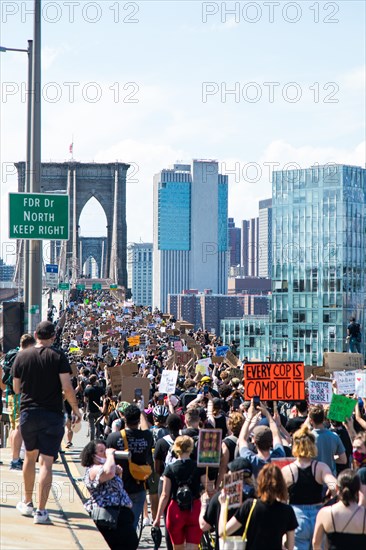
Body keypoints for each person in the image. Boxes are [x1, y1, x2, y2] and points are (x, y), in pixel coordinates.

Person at [12, 320, 82, 524]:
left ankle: (27, 502)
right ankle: (41, 512)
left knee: (29, 458)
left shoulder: (21, 356)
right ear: (52, 337)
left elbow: (16, 388)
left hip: (28, 414)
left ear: (35, 334)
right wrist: (75, 410)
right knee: (47, 463)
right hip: (52, 415)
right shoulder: (58, 356)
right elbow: (67, 388)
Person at [281, 425, 337, 550]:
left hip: (296, 517)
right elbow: (334, 485)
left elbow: (280, 498)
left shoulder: (287, 471)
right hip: (319, 516)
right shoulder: (321, 467)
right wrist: (330, 498)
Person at [218, 463, 298, 550]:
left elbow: (223, 532)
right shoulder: (287, 511)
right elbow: (290, 546)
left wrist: (223, 505)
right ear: (281, 485)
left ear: (260, 482)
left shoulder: (250, 505)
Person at [81, 439, 137, 550]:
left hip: (122, 516)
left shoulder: (107, 468)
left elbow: (115, 489)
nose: (105, 453)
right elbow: (108, 472)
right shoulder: (93, 470)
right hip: (109, 517)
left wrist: (119, 474)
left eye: (105, 450)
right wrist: (111, 456)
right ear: (93, 456)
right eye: (101, 451)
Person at [153, 435, 206, 550]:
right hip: (194, 508)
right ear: (191, 448)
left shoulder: (170, 469)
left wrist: (157, 518)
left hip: (176, 510)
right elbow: (207, 488)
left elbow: (165, 495)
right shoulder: (197, 466)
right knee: (193, 547)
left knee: (178, 547)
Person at [106, 403, 153, 530]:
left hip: (117, 487)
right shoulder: (147, 437)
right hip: (138, 486)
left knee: (117, 524)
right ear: (138, 420)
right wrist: (142, 410)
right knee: (131, 525)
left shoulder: (113, 437)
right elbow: (146, 431)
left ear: (124, 419)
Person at [200, 457, 255, 550]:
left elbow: (204, 526)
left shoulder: (220, 497)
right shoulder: (256, 498)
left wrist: (204, 506)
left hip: (224, 546)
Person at [2, 334, 36, 470]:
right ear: (29, 345)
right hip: (18, 395)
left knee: (13, 426)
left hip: (11, 395)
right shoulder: (21, 357)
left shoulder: (12, 354)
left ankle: (14, 456)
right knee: (18, 427)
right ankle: (15, 460)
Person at [313, 469, 366, 549]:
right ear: (358, 489)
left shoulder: (325, 513)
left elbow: (316, 543)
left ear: (337, 488)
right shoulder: (364, 515)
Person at [238, 400, 285, 478]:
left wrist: (249, 417)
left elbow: (242, 439)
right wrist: (267, 414)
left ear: (254, 442)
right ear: (271, 442)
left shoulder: (249, 459)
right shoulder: (279, 456)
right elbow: (276, 435)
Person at [308, 405, 347, 476]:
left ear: (311, 420)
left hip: (313, 478)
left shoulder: (307, 438)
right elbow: (343, 460)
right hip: (330, 477)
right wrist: (331, 459)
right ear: (324, 419)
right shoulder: (334, 436)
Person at [84, 374, 105, 441]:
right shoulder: (100, 389)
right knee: (97, 426)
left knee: (91, 427)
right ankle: (97, 439)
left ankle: (91, 441)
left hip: (90, 409)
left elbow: (85, 400)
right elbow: (103, 398)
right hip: (98, 409)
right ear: (96, 380)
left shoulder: (87, 389)